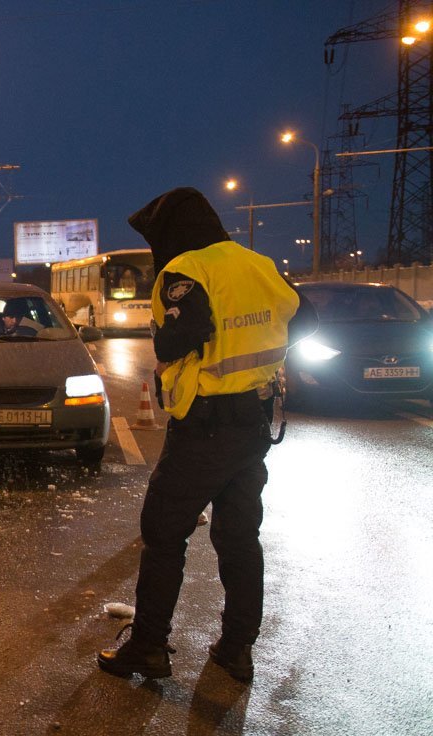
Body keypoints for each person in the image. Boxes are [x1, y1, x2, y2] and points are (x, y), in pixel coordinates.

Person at [97, 186, 316, 682]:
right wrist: (262, 351)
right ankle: (237, 648)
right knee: (239, 537)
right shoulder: (257, 265)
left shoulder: (187, 270)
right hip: (254, 423)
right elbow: (308, 317)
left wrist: (168, 339)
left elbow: (180, 335)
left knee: (164, 531)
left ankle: (149, 646)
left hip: (205, 427)